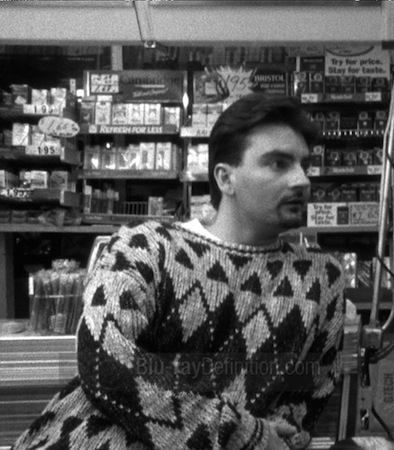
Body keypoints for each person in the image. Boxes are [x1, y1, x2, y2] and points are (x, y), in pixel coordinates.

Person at [13, 94, 346, 450]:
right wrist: (235, 432)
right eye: (279, 163)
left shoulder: (321, 279)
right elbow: (102, 357)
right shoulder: (147, 246)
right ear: (225, 178)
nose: (302, 180)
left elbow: (304, 400)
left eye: (304, 165)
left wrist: (269, 436)